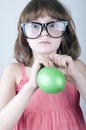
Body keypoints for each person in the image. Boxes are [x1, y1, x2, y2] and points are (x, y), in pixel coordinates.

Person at [0, 0, 86, 129]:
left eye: (53, 25)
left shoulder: (76, 67)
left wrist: (77, 78)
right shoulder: (14, 71)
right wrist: (30, 86)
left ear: (63, 33)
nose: (44, 33)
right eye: (34, 26)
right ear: (25, 36)